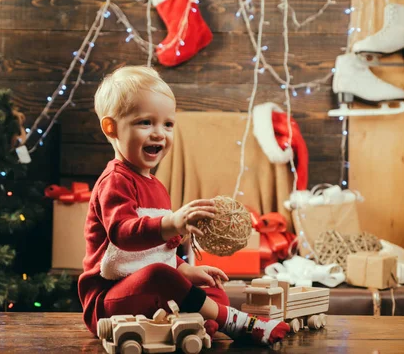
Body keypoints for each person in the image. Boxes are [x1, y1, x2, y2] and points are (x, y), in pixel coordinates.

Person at [77, 66, 289, 345]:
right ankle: (236, 322)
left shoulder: (157, 186)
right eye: (145, 123)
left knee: (213, 291)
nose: (159, 134)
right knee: (158, 276)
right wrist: (173, 224)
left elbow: (154, 251)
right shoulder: (115, 181)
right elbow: (123, 234)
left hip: (146, 294)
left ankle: (203, 322)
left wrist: (186, 270)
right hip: (109, 301)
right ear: (112, 127)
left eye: (167, 124)